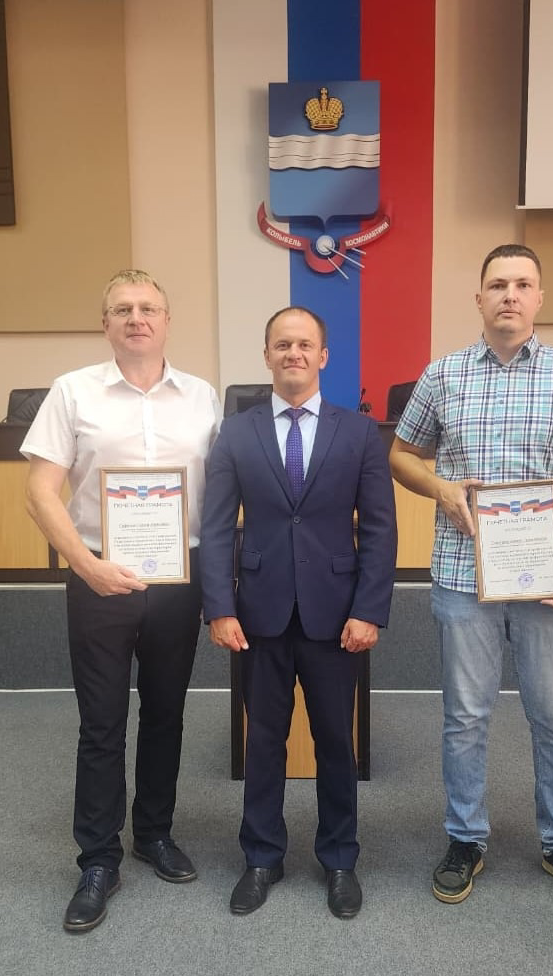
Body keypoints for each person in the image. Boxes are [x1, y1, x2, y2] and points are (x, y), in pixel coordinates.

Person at [389, 244, 553, 909]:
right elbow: (401, 456)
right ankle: (465, 838)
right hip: (465, 577)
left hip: (549, 578)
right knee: (464, 717)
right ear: (479, 298)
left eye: (522, 284)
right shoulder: (444, 374)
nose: (509, 294)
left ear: (539, 297)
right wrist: (442, 488)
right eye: (497, 284)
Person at [21, 270, 221, 932]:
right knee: (102, 722)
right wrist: (87, 567)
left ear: (167, 320)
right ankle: (98, 859)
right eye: (123, 309)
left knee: (165, 714)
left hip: (179, 578)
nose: (137, 318)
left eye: (148, 308)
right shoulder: (72, 391)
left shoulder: (202, 397)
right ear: (104, 323)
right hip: (97, 575)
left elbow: (223, 493)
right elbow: (40, 492)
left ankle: (154, 833)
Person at [200, 306, 397, 918]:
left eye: (305, 344)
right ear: (267, 355)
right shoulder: (236, 433)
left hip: (336, 618)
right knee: (263, 741)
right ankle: (262, 856)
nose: (294, 353)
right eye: (282, 344)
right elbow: (215, 529)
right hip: (257, 616)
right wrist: (219, 607)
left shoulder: (358, 433)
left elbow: (380, 530)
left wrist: (369, 610)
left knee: (337, 741)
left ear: (323, 356)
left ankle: (339, 859)